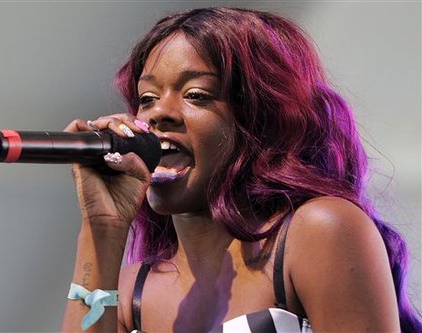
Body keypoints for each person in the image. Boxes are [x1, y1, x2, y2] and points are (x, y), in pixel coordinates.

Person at [61, 7, 420, 333]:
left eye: (196, 94)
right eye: (147, 98)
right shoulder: (128, 294)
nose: (158, 113)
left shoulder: (319, 231)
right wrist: (102, 229)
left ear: (261, 120)